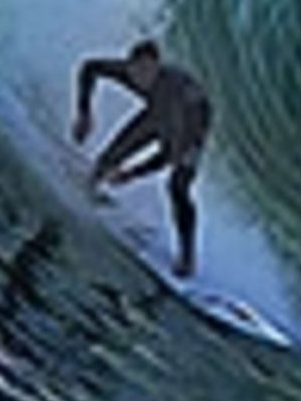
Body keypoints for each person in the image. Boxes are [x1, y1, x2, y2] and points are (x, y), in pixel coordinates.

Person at [73, 37, 212, 277]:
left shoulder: (171, 91)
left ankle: (187, 257)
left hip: (192, 123)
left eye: (149, 71)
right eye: (138, 71)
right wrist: (84, 113)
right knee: (110, 157)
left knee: (178, 187)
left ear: (157, 68)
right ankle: (88, 190)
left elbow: (166, 156)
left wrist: (132, 174)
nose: (142, 78)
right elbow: (89, 67)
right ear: (130, 65)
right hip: (156, 113)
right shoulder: (127, 72)